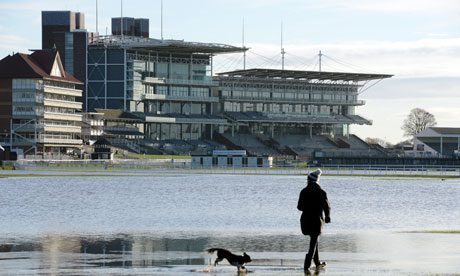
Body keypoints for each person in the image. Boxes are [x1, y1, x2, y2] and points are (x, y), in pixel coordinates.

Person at [297, 169, 331, 272]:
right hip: (316, 221)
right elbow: (327, 207)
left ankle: (317, 262)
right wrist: (327, 217)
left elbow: (299, 207)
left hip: (305, 222)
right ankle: (306, 265)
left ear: (309, 180)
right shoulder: (321, 192)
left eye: (307, 179)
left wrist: (308, 207)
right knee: (313, 242)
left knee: (314, 240)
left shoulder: (303, 191)